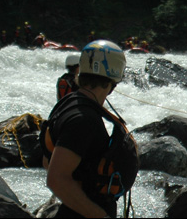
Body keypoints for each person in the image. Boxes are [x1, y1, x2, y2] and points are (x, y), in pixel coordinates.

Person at [40, 40, 138, 218]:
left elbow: (49, 162)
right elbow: (56, 179)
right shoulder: (84, 120)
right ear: (114, 79)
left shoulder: (68, 104)